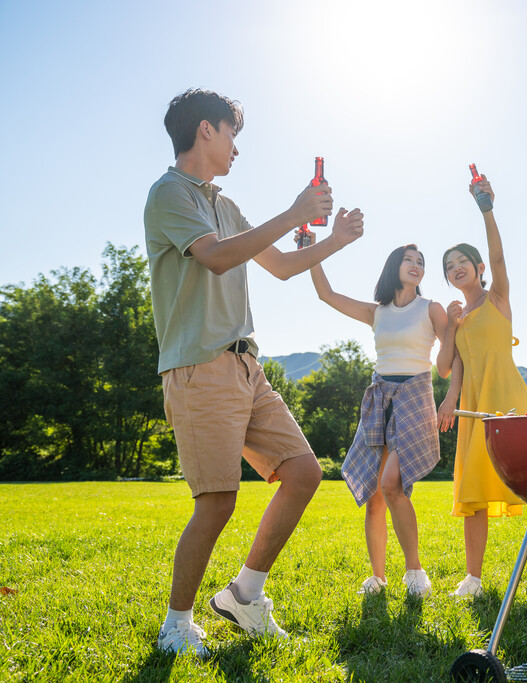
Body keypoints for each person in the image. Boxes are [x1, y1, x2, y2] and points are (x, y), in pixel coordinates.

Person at [144, 88, 364, 656]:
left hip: (246, 367)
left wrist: (334, 240)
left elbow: (284, 267)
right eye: (232, 132)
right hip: (199, 367)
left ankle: (245, 594)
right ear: (205, 132)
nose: (238, 147)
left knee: (303, 473)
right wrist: (293, 212)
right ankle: (176, 625)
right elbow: (216, 256)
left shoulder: (226, 203)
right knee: (217, 500)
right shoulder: (168, 194)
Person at [436, 174, 527, 604]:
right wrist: (447, 332)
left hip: (509, 403)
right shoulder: (458, 319)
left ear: (479, 268)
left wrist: (486, 209)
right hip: (474, 411)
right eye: (449, 266)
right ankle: (473, 579)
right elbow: (448, 368)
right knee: (471, 495)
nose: (456, 267)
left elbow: (500, 258)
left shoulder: (497, 297)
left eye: (463, 260)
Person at [307, 240, 447, 598]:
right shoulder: (378, 312)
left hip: (415, 396)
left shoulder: (431, 308)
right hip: (380, 397)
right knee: (374, 494)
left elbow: (451, 354)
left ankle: (415, 572)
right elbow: (326, 293)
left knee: (390, 484)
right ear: (393, 267)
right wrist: (312, 251)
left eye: (421, 261)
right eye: (408, 260)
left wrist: (452, 396)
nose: (416, 265)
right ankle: (378, 577)